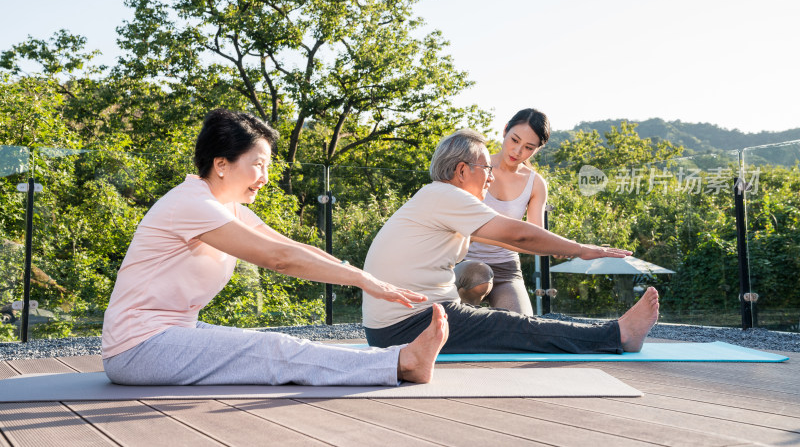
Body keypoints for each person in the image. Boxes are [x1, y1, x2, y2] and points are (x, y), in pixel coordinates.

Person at [102, 109, 448, 386]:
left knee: (274, 344)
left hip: (174, 331)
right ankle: (403, 363)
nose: (265, 176)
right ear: (221, 164)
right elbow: (278, 259)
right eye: (258, 164)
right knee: (272, 349)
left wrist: (365, 277)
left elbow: (292, 246)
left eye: (267, 165)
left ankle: (401, 360)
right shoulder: (190, 204)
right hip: (139, 346)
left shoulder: (226, 208)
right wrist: (364, 283)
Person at [362, 128, 659, 355]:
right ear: (462, 171)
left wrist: (559, 248)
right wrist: (581, 250)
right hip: (408, 327)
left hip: (396, 325)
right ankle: (620, 335)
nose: (490, 177)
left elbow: (519, 242)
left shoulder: (436, 197)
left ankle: (615, 334)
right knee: (516, 327)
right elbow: (519, 233)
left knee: (510, 322)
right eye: (485, 168)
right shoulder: (448, 196)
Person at [455, 108, 550, 315]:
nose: (517, 151)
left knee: (522, 327)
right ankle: (466, 319)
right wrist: (513, 238)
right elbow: (460, 229)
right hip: (465, 263)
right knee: (477, 275)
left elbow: (535, 239)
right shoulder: (473, 166)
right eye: (514, 140)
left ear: (537, 149)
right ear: (505, 130)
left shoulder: (535, 184)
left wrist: (570, 248)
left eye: (528, 147)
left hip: (507, 269)